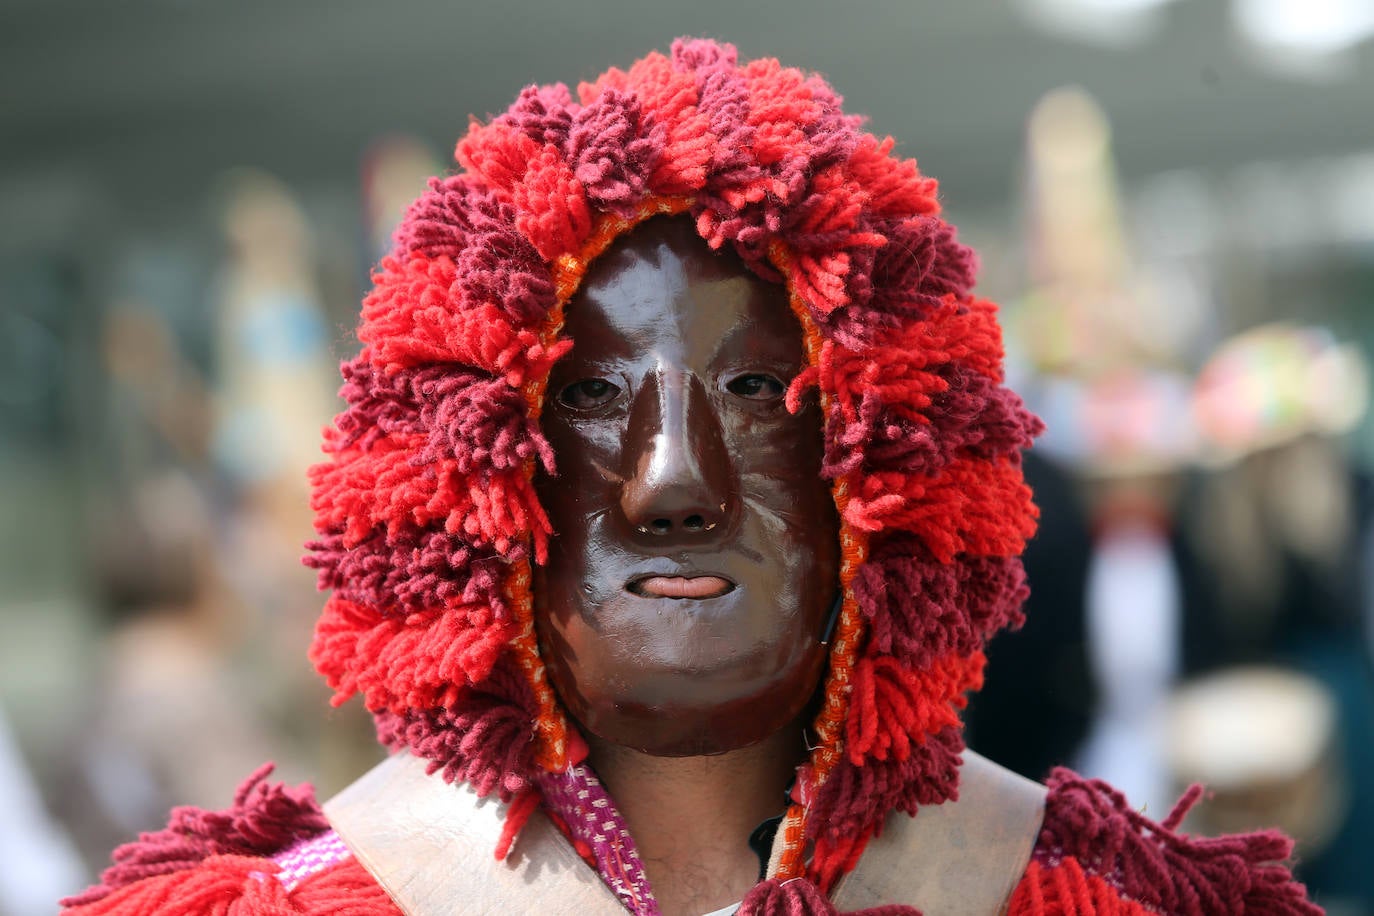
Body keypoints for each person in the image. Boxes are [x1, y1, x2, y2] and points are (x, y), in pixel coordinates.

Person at [62, 39, 1320, 915]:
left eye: (762, 394)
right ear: (468, 480)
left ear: (891, 464)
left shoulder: (1084, 901)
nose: (672, 483)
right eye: (594, 399)